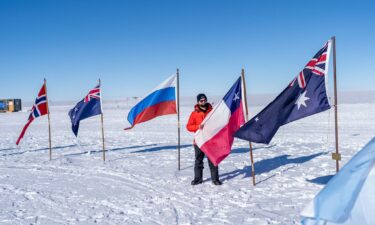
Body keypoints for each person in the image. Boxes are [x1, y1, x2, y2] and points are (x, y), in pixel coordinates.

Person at [186, 93, 222, 185]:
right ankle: (198, 179)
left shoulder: (212, 112)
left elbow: (217, 123)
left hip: (210, 140)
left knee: (212, 160)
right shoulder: (194, 113)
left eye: (204, 100)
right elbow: (189, 127)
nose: (203, 101)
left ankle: (215, 179)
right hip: (199, 141)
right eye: (201, 100)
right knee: (198, 160)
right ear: (198, 102)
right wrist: (198, 126)